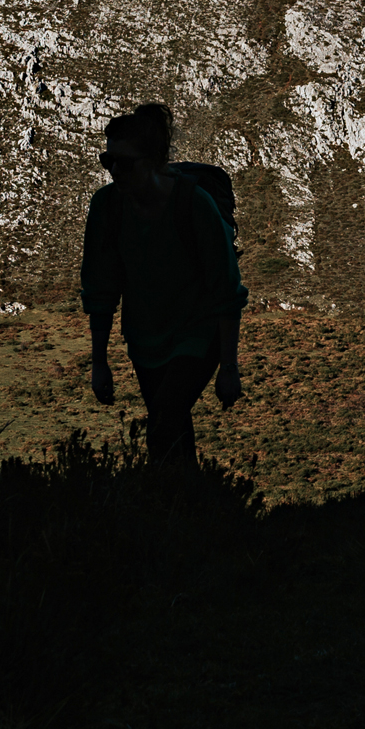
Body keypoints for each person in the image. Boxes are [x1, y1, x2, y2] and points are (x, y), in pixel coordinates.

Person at [79, 103, 248, 465]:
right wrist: (99, 362)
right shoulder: (107, 207)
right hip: (145, 339)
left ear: (154, 159)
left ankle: (176, 509)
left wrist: (229, 368)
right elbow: (100, 289)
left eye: (126, 163)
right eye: (108, 163)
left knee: (165, 420)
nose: (115, 173)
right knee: (167, 430)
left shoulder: (193, 204)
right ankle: (186, 510)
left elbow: (227, 290)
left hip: (198, 333)